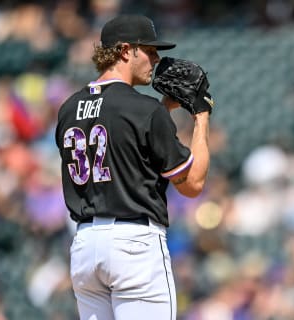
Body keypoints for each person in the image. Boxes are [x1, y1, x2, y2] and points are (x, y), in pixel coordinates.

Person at [55, 14, 211, 320]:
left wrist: (163, 110)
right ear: (126, 50)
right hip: (133, 246)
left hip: (86, 246)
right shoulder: (144, 110)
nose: (155, 59)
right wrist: (201, 115)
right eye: (149, 50)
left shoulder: (68, 108)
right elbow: (192, 185)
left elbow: (122, 146)